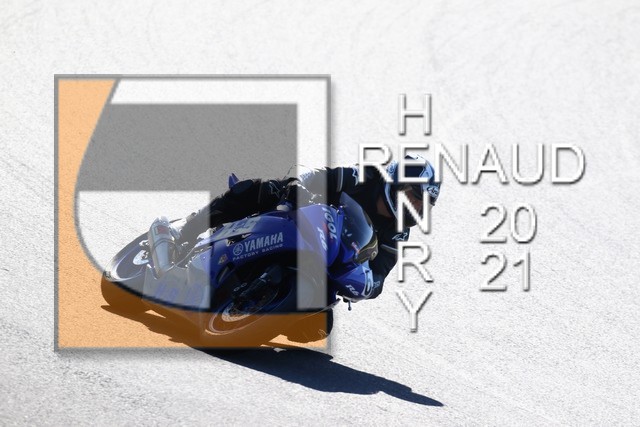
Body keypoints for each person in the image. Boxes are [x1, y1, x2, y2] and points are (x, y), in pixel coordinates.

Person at [172, 154, 441, 300]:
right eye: (413, 196)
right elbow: (316, 177)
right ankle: (188, 229)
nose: (415, 207)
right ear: (395, 184)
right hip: (304, 220)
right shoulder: (363, 178)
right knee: (266, 190)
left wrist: (367, 284)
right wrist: (299, 188)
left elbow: (379, 275)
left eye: (423, 204)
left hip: (330, 261)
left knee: (318, 327)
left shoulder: (398, 233)